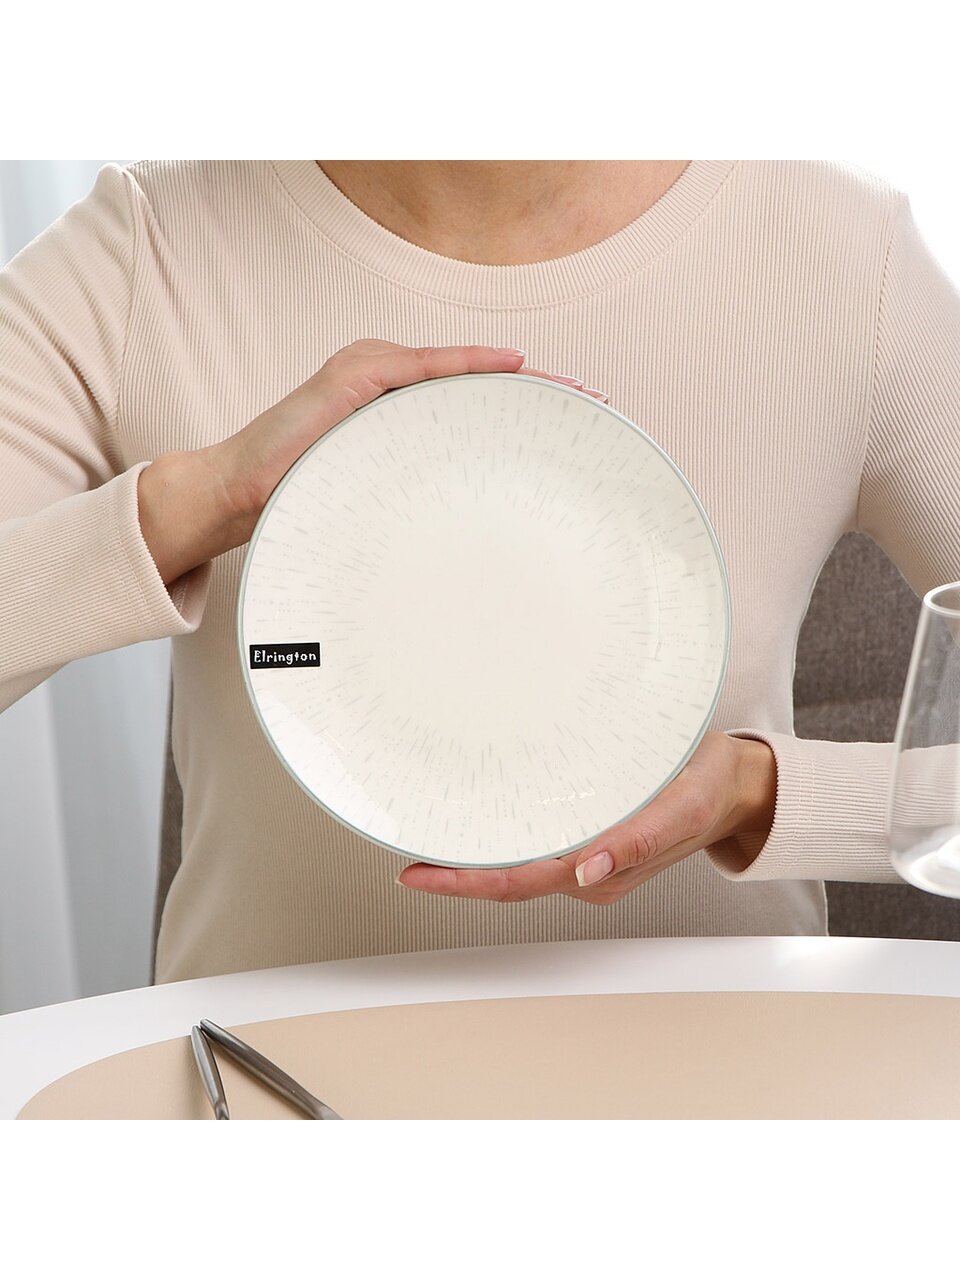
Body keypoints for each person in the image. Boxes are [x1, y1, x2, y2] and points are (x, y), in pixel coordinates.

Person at [1, 159, 957, 985]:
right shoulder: (147, 253)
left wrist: (763, 795)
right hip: (263, 1079)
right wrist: (201, 499)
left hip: (719, 1072)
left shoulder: (846, 256)